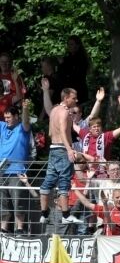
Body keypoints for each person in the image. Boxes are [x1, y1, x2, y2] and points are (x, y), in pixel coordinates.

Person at [39, 88, 85, 226]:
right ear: (66, 98)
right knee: (64, 180)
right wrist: (69, 149)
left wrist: (46, 91)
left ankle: (44, 214)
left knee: (49, 180)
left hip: (53, 149)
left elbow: (50, 132)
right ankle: (65, 215)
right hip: (61, 149)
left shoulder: (54, 110)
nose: (76, 100)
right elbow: (63, 132)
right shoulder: (64, 112)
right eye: (73, 98)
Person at [0, 100, 33, 233]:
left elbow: (25, 121)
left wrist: (25, 109)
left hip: (17, 171)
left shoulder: (22, 128)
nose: (6, 120)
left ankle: (20, 229)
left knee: (18, 200)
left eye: (9, 117)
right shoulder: (2, 126)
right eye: (5, 117)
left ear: (16, 117)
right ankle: (3, 229)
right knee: (2, 202)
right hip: (2, 170)